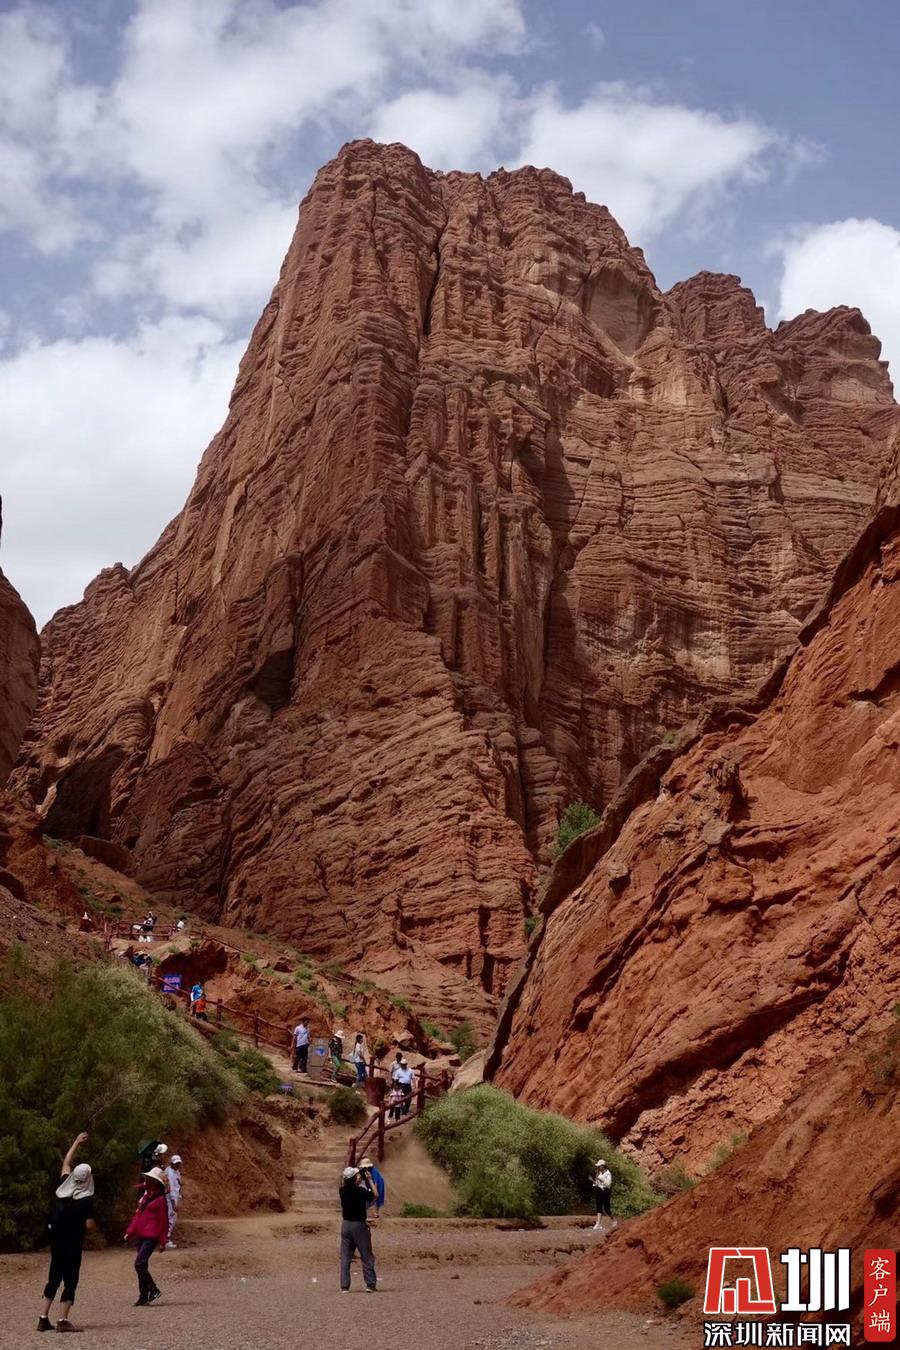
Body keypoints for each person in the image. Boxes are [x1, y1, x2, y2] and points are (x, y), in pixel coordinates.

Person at [38, 1131, 95, 1333]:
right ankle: (62, 1320)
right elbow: (89, 1225)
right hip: (72, 1244)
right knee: (70, 1281)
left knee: (53, 1278)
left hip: (57, 1242)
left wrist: (76, 1142)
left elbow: (66, 1163)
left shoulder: (63, 1185)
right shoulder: (86, 1199)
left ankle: (43, 1318)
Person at [125, 1167, 169, 1305]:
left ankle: (153, 1289)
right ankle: (143, 1295)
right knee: (142, 1264)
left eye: (149, 1179)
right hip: (142, 1235)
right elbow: (138, 1216)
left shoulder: (160, 1200)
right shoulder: (146, 1197)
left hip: (151, 1236)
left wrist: (163, 1241)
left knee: (139, 1264)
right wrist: (130, 1231)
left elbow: (163, 1221)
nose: (146, 1181)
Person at [338, 1167, 377, 1292]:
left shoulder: (342, 1191)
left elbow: (345, 1183)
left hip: (346, 1225)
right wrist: (370, 1180)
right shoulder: (361, 1191)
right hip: (359, 1225)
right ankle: (370, 1284)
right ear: (355, 1178)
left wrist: (354, 1178)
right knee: (366, 1255)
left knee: (345, 1257)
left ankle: (344, 1286)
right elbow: (375, 1195)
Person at [163, 1155, 182, 1250]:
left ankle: (165, 1238)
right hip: (170, 1199)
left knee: (173, 1218)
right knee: (171, 1219)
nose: (177, 1165)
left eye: (178, 1163)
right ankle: (166, 1240)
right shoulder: (170, 1173)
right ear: (171, 1163)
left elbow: (178, 1186)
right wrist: (174, 1203)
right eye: (176, 1163)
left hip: (174, 1198)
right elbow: (171, 1190)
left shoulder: (176, 1172)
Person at [591, 1158, 615, 1231]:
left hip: (606, 1191)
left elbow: (608, 1184)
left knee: (606, 1208)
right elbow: (598, 1183)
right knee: (599, 1206)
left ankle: (614, 1221)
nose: (598, 1167)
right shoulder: (600, 1173)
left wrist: (599, 1178)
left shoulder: (608, 1173)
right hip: (599, 1190)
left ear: (603, 1166)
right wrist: (594, 1182)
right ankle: (598, 1223)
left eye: (599, 1166)